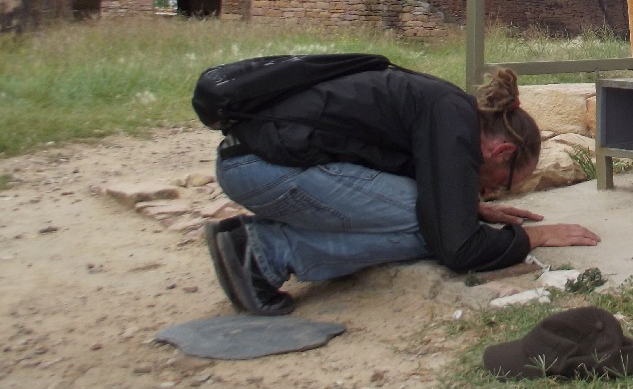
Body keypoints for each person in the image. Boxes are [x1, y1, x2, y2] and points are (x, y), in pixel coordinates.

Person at [204, 65, 600, 315]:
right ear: (502, 151)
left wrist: (470, 208)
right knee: (430, 226)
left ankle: (255, 246)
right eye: (500, 183)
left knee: (439, 215)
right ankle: (266, 253)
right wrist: (531, 237)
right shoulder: (452, 120)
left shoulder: (447, 110)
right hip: (261, 168)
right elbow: (456, 246)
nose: (494, 193)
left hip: (253, 163)